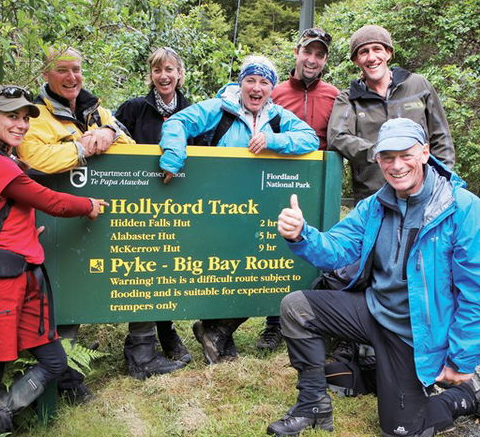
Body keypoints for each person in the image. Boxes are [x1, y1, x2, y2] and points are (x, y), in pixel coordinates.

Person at [267, 118, 480, 437]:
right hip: (374, 313)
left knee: (403, 433)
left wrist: (462, 359)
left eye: (406, 155)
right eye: (388, 157)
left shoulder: (461, 209)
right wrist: (301, 234)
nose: (397, 165)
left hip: (415, 334)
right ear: (378, 160)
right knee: (296, 308)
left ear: (425, 153)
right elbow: (336, 249)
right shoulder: (375, 206)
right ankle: (312, 406)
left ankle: (466, 397)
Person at [0, 85, 107, 437]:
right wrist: (86, 204)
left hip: (25, 275)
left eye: (25, 118)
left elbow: (9, 211)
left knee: (54, 361)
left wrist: (26, 232)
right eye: (12, 116)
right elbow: (47, 200)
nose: (21, 124)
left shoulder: (5, 159)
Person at [159, 55, 318, 364]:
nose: (256, 88)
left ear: (272, 88)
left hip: (259, 207)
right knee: (220, 267)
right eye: (251, 80)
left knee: (260, 268)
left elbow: (309, 138)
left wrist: (274, 140)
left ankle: (216, 331)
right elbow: (178, 122)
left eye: (264, 82)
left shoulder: (277, 116)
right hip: (218, 205)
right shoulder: (220, 109)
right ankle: (216, 331)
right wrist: (173, 158)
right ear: (240, 83)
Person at [18, 46, 135, 403]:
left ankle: (73, 375)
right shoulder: (34, 114)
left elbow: (132, 146)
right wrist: (83, 147)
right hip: (53, 219)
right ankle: (65, 380)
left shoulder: (96, 110)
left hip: (94, 214)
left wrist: (110, 134)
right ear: (46, 75)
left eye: (77, 70)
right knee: (63, 298)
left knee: (88, 288)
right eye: (63, 70)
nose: (72, 78)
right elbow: (35, 155)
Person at [255, 28, 341, 353]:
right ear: (297, 52)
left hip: (318, 182)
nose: (312, 60)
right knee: (274, 247)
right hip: (277, 179)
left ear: (324, 60)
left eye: (319, 55)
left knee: (319, 250)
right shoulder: (273, 92)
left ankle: (315, 318)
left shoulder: (335, 95)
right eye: (308, 52)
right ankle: (273, 323)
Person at [114, 47, 193, 377]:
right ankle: (142, 343)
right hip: (140, 203)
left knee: (170, 266)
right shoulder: (133, 108)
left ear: (179, 74)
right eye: (158, 70)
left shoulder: (191, 110)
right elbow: (116, 143)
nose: (164, 76)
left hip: (179, 197)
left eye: (170, 69)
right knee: (146, 266)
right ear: (151, 74)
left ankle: (166, 331)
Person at [328, 24, 456, 201]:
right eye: (363, 52)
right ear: (356, 60)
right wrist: (380, 153)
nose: (371, 57)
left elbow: (441, 136)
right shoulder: (348, 99)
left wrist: (444, 179)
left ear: (388, 53)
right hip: (373, 195)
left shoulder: (418, 86)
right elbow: (337, 137)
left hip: (423, 191)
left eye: (377, 49)